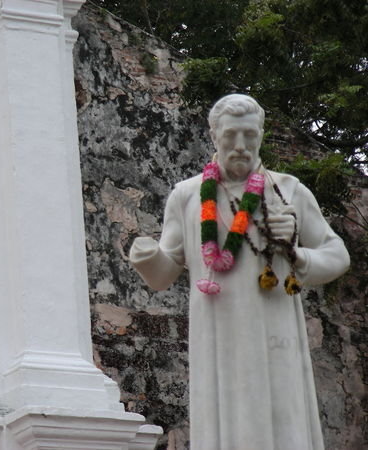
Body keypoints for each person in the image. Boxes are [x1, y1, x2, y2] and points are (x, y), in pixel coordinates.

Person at [130, 94, 349, 450]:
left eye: (250, 135)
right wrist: (147, 256)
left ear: (261, 135)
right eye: (232, 135)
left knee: (283, 419)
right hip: (218, 335)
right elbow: (163, 274)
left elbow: (337, 255)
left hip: (274, 330)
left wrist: (296, 254)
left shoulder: (288, 190)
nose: (241, 145)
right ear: (214, 136)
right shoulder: (187, 196)